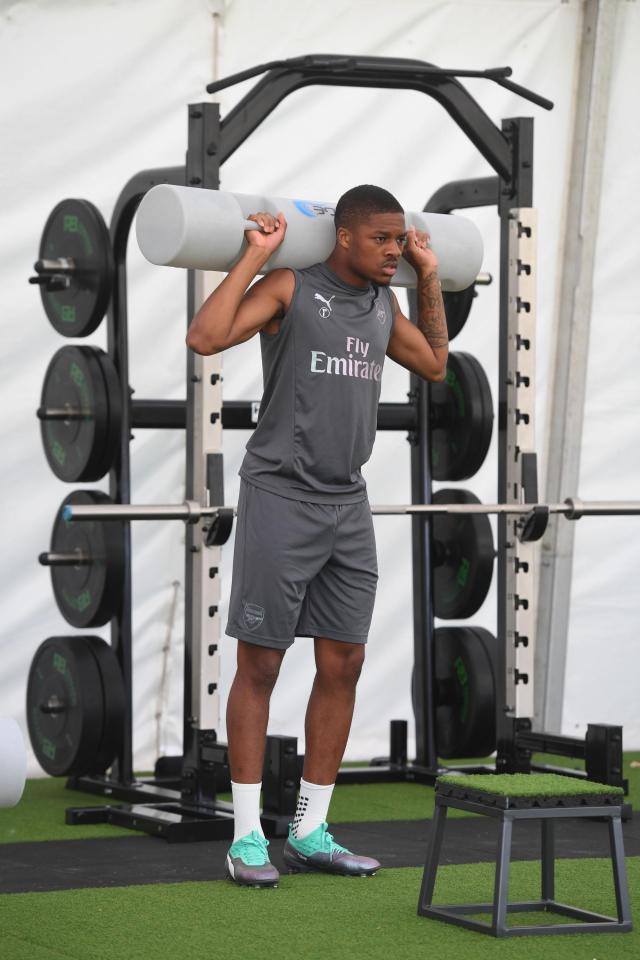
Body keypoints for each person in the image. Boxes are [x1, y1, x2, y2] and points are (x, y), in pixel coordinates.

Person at [186, 184, 448, 887]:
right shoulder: (289, 288)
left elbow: (433, 363)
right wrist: (253, 254)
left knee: (346, 663)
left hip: (347, 505)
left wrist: (428, 276)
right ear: (346, 238)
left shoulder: (381, 306)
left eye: (401, 239)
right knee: (262, 666)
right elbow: (204, 337)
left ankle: (309, 829)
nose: (395, 249)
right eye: (384, 239)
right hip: (279, 495)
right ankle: (245, 840)